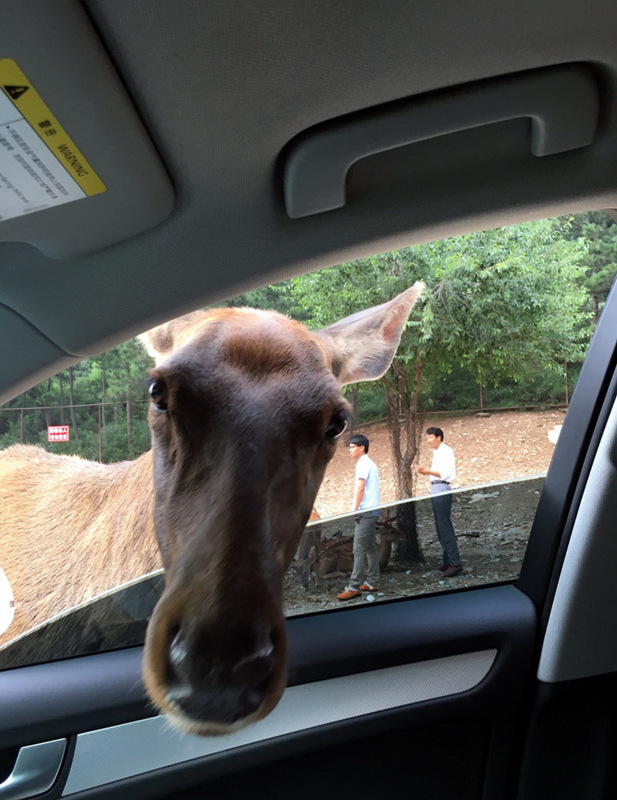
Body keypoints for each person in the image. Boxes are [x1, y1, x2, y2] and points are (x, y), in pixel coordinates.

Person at [337, 434, 381, 600]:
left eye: (353, 447)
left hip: (366, 511)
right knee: (370, 547)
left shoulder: (364, 464)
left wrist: (354, 509)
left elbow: (360, 488)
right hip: (371, 510)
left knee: (359, 548)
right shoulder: (368, 464)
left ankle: (354, 586)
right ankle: (372, 582)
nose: (350, 450)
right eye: (350, 447)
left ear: (362, 447)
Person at [415, 426, 463, 577]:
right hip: (437, 488)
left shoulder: (445, 451)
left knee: (444, 526)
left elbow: (444, 473)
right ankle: (447, 560)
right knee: (440, 525)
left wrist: (426, 471)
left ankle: (455, 563)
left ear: (439, 437)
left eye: (430, 437)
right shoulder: (437, 453)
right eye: (427, 438)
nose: (428, 441)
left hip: (441, 487)